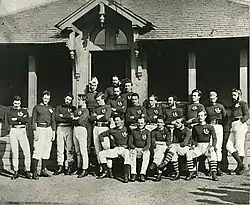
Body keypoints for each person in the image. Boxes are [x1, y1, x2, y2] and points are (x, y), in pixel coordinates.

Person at [185, 110, 218, 181]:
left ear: (205, 116)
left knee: (213, 154)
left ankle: (214, 173)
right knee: (189, 153)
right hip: (199, 146)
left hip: (207, 146)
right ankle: (191, 172)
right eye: (199, 116)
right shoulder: (195, 127)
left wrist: (213, 146)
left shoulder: (210, 126)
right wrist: (193, 145)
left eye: (202, 116)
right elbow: (193, 138)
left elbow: (214, 138)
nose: (200, 117)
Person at [97, 115, 130, 183]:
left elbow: (132, 139)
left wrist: (128, 146)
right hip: (116, 149)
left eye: (118, 120)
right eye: (115, 121)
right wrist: (103, 143)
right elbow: (101, 135)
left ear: (122, 120)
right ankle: (106, 171)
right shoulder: (112, 130)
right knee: (101, 154)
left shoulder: (127, 129)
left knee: (127, 153)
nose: (116, 122)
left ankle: (126, 175)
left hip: (125, 148)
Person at [31, 90, 56, 180]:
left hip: (48, 130)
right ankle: (34, 172)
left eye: (48, 99)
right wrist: (35, 131)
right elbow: (33, 120)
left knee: (47, 149)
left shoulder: (51, 108)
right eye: (45, 98)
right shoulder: (37, 108)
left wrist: (53, 132)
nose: (46, 100)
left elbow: (53, 121)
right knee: (38, 150)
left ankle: (43, 170)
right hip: (40, 129)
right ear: (42, 97)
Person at [6, 96, 31, 179]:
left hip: (22, 130)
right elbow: (10, 121)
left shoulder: (24, 111)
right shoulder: (10, 111)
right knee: (14, 151)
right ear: (13, 103)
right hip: (13, 130)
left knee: (27, 151)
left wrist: (16, 119)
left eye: (18, 103)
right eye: (15, 103)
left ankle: (27, 170)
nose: (17, 105)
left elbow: (26, 120)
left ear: (20, 103)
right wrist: (20, 119)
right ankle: (16, 171)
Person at [226, 88, 249, 175]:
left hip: (240, 123)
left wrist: (241, 122)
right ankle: (240, 164)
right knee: (228, 145)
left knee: (239, 146)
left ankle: (239, 168)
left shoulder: (243, 103)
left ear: (239, 95)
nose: (233, 97)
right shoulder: (234, 104)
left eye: (234, 95)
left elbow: (247, 115)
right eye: (232, 95)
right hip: (234, 124)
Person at [54, 93, 76, 175]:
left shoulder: (73, 108)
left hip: (69, 128)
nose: (68, 101)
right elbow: (57, 118)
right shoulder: (59, 107)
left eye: (70, 100)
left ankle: (69, 166)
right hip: (60, 128)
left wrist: (63, 116)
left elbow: (72, 119)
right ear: (64, 98)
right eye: (67, 99)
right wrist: (68, 117)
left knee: (69, 147)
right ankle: (60, 166)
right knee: (60, 147)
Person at [206, 91, 226, 176]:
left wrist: (220, 124)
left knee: (218, 147)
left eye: (214, 97)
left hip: (218, 126)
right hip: (211, 126)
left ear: (216, 98)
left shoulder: (220, 106)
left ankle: (218, 168)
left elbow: (225, 117)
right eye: (211, 97)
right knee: (211, 145)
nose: (212, 99)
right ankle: (212, 168)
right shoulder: (207, 108)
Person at [90, 92, 111, 173]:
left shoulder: (107, 107)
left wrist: (97, 117)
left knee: (106, 148)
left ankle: (109, 168)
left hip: (104, 128)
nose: (97, 102)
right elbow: (91, 118)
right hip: (96, 128)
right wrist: (99, 116)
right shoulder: (95, 108)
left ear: (103, 98)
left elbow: (106, 118)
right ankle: (101, 167)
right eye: (96, 100)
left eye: (99, 100)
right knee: (97, 148)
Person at [72, 94, 90, 178]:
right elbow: (71, 120)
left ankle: (85, 169)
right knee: (77, 151)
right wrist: (75, 119)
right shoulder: (77, 110)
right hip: (75, 129)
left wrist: (75, 119)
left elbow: (80, 121)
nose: (78, 101)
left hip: (82, 130)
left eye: (79, 99)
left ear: (84, 100)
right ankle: (78, 167)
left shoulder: (86, 111)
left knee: (83, 151)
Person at [149, 116, 171, 181]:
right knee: (159, 151)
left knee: (160, 149)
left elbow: (168, 143)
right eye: (158, 122)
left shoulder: (167, 131)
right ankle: (159, 174)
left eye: (161, 122)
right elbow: (153, 143)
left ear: (164, 123)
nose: (159, 124)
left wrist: (159, 143)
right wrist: (161, 143)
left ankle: (155, 163)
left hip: (165, 148)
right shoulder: (153, 131)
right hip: (157, 148)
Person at [128, 117, 151, 182]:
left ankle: (142, 173)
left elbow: (148, 144)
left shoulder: (147, 132)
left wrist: (143, 150)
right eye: (138, 123)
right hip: (135, 148)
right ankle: (133, 173)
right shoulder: (133, 132)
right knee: (132, 152)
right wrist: (135, 148)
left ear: (145, 123)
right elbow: (130, 143)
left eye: (141, 123)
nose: (140, 124)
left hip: (143, 149)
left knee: (147, 153)